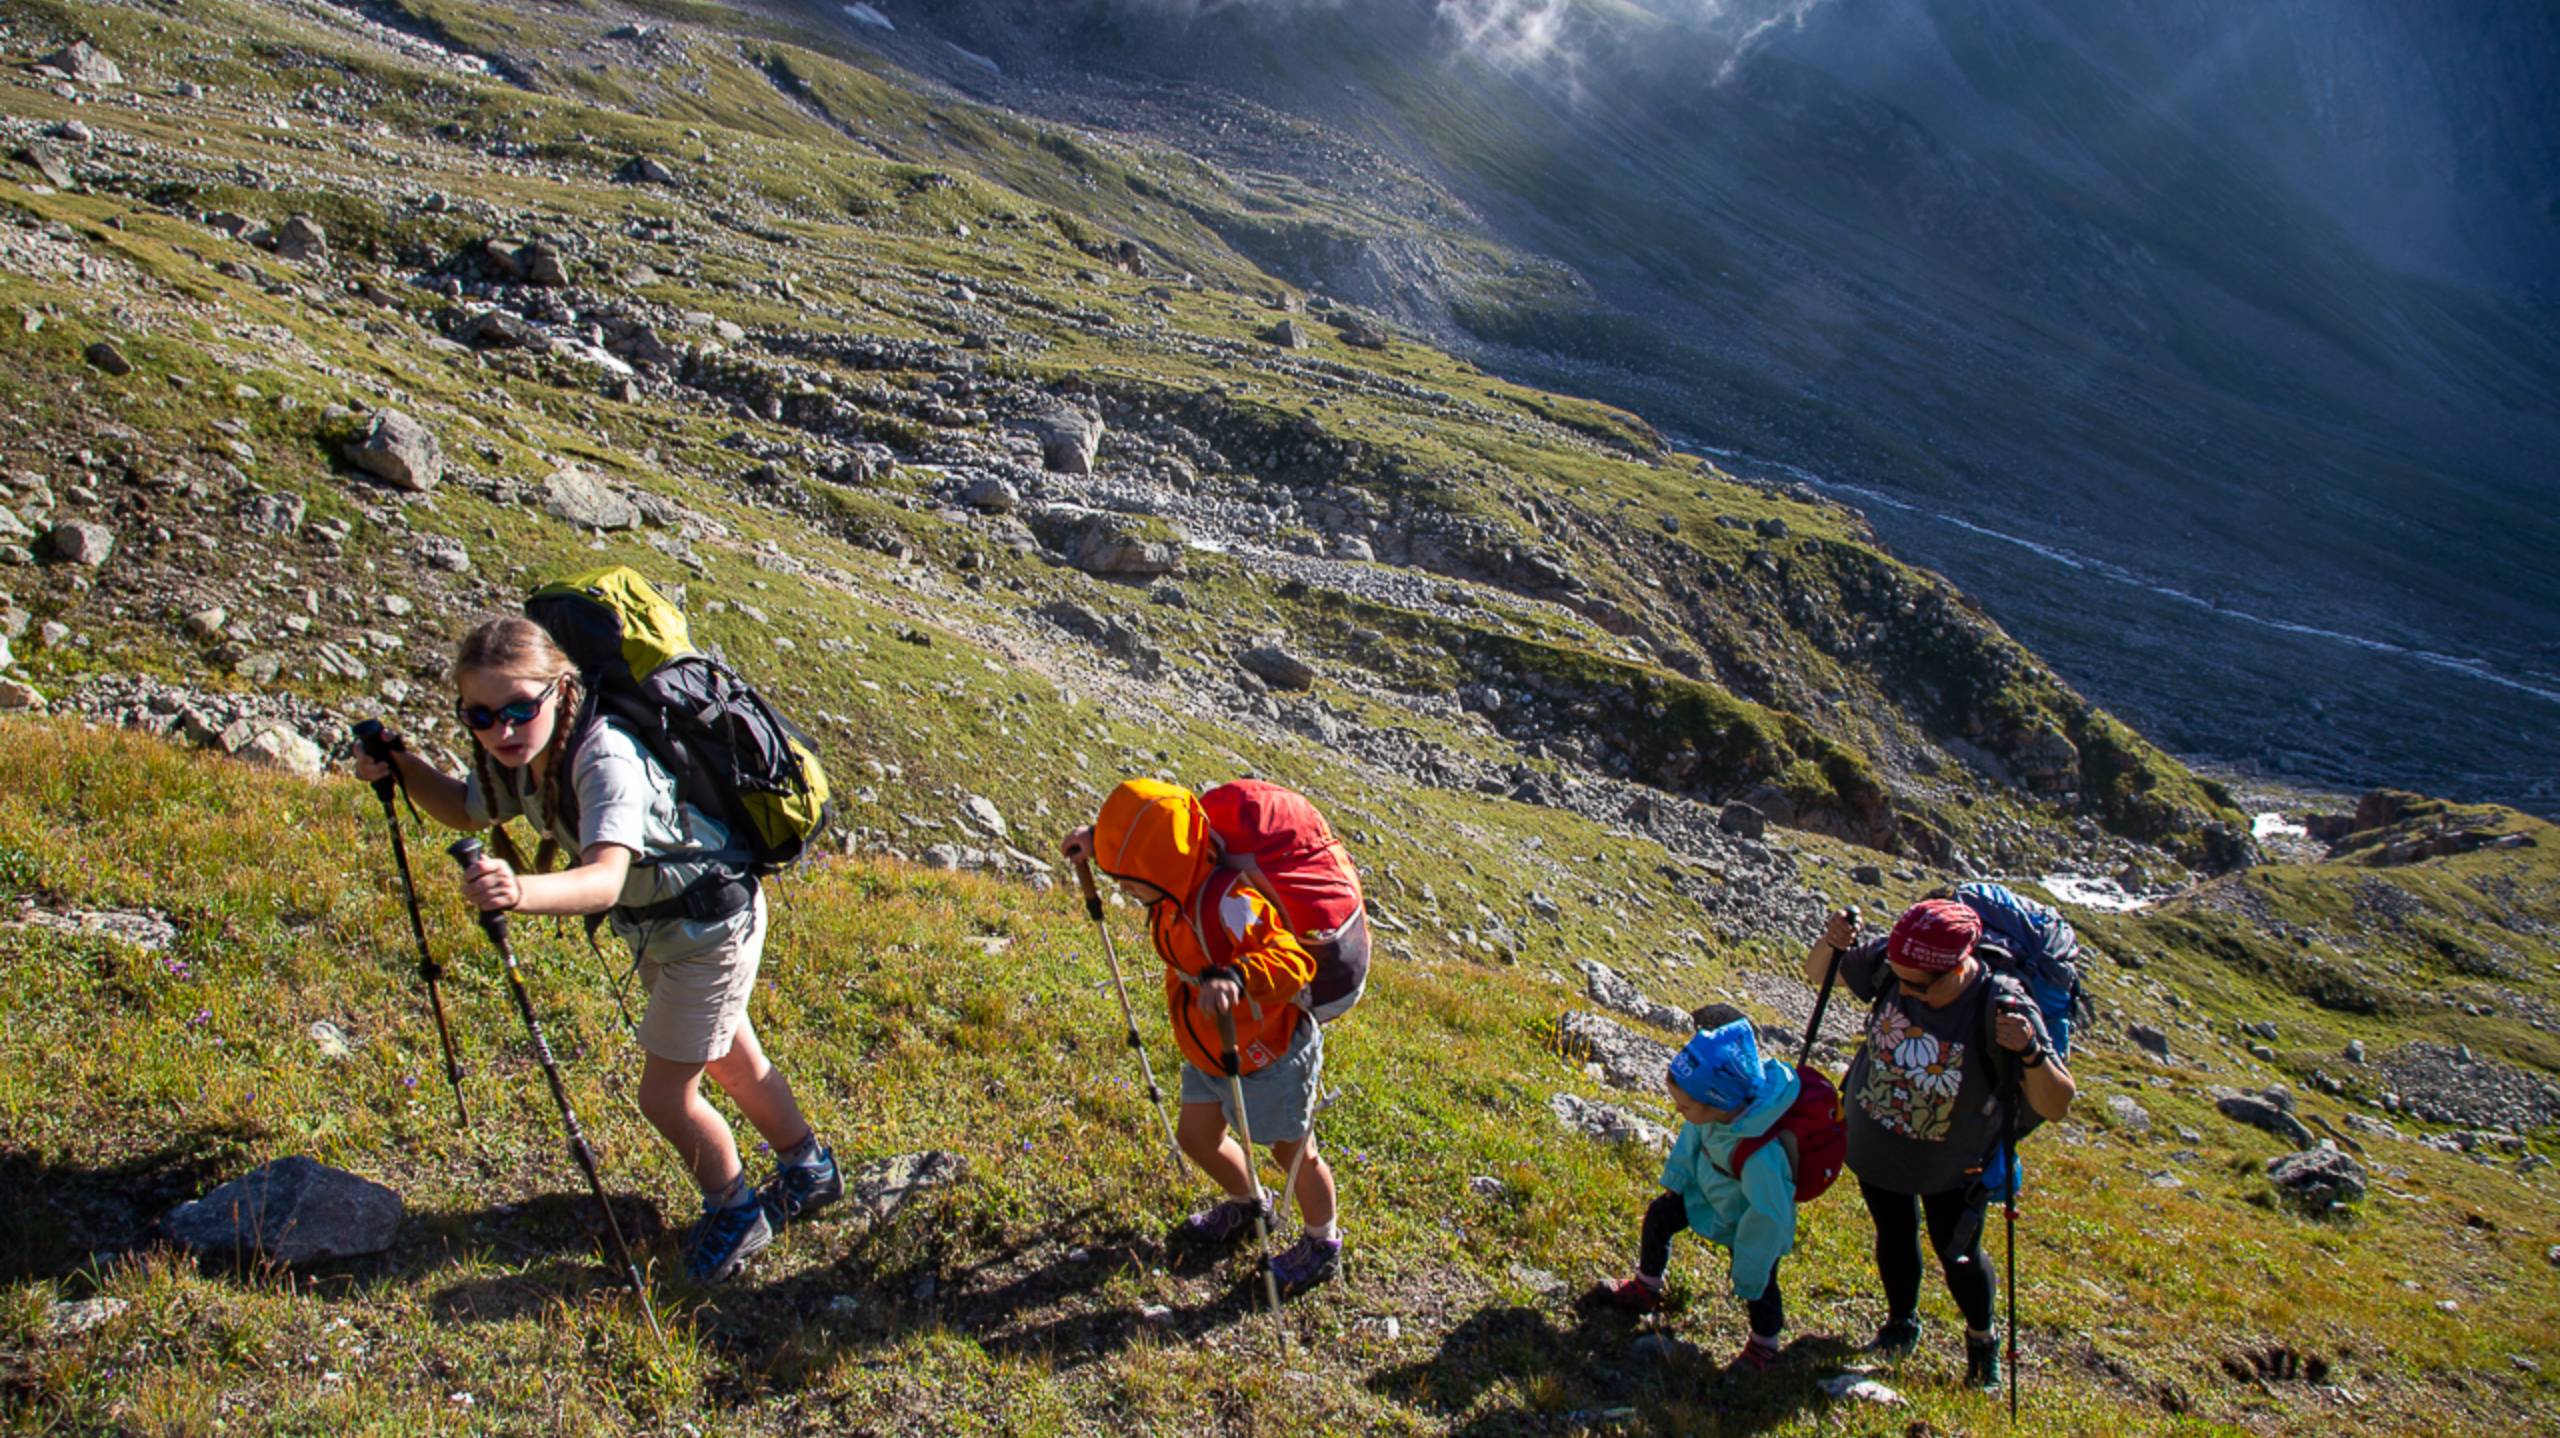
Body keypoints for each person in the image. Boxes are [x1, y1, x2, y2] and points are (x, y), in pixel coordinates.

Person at [351, 616, 837, 1283]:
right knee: (726, 1054)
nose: (504, 729)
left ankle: (735, 1210)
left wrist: (518, 891)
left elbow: (606, 877)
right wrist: (402, 764)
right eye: (482, 715)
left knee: (666, 1095)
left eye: (522, 707)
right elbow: (467, 809)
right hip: (672, 924)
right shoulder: (519, 755)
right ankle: (808, 1168)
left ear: (561, 690)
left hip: (709, 925)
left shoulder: (603, 756)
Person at [1063, 779, 1341, 1294]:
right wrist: (1099, 839)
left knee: (1294, 1152)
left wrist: (1236, 977)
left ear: (1160, 872)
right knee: (1196, 1138)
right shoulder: (1175, 883)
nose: (1126, 891)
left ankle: (1322, 1243)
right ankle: (1247, 1204)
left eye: (1131, 882)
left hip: (1269, 1054)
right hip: (1211, 1050)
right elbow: (1152, 838)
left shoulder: (1230, 903)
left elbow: (1293, 962)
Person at [1806, 899, 2075, 1388]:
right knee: (1893, 1233)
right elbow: (1820, 975)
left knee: (1959, 1254)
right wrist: (1832, 943)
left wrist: (2032, 1053)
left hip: (1953, 1166)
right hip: (1876, 1143)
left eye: (1918, 986)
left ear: (1960, 965)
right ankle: (1900, 1324)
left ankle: (1981, 1344)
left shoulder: (2002, 1003)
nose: (1903, 989)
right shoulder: (1897, 959)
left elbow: (2057, 1103)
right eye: (1899, 978)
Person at [1590, 1018, 1801, 1373]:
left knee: (1761, 1281)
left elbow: (1768, 1216)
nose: (1679, 1111)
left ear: (1716, 1102)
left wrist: (1749, 1265)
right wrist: (1677, 1179)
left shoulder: (1761, 1153)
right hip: (1706, 1191)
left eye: (1685, 1106)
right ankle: (1646, 1285)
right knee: (1660, 1215)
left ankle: (1764, 1344)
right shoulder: (1713, 1112)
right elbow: (1691, 1139)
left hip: (1745, 1220)